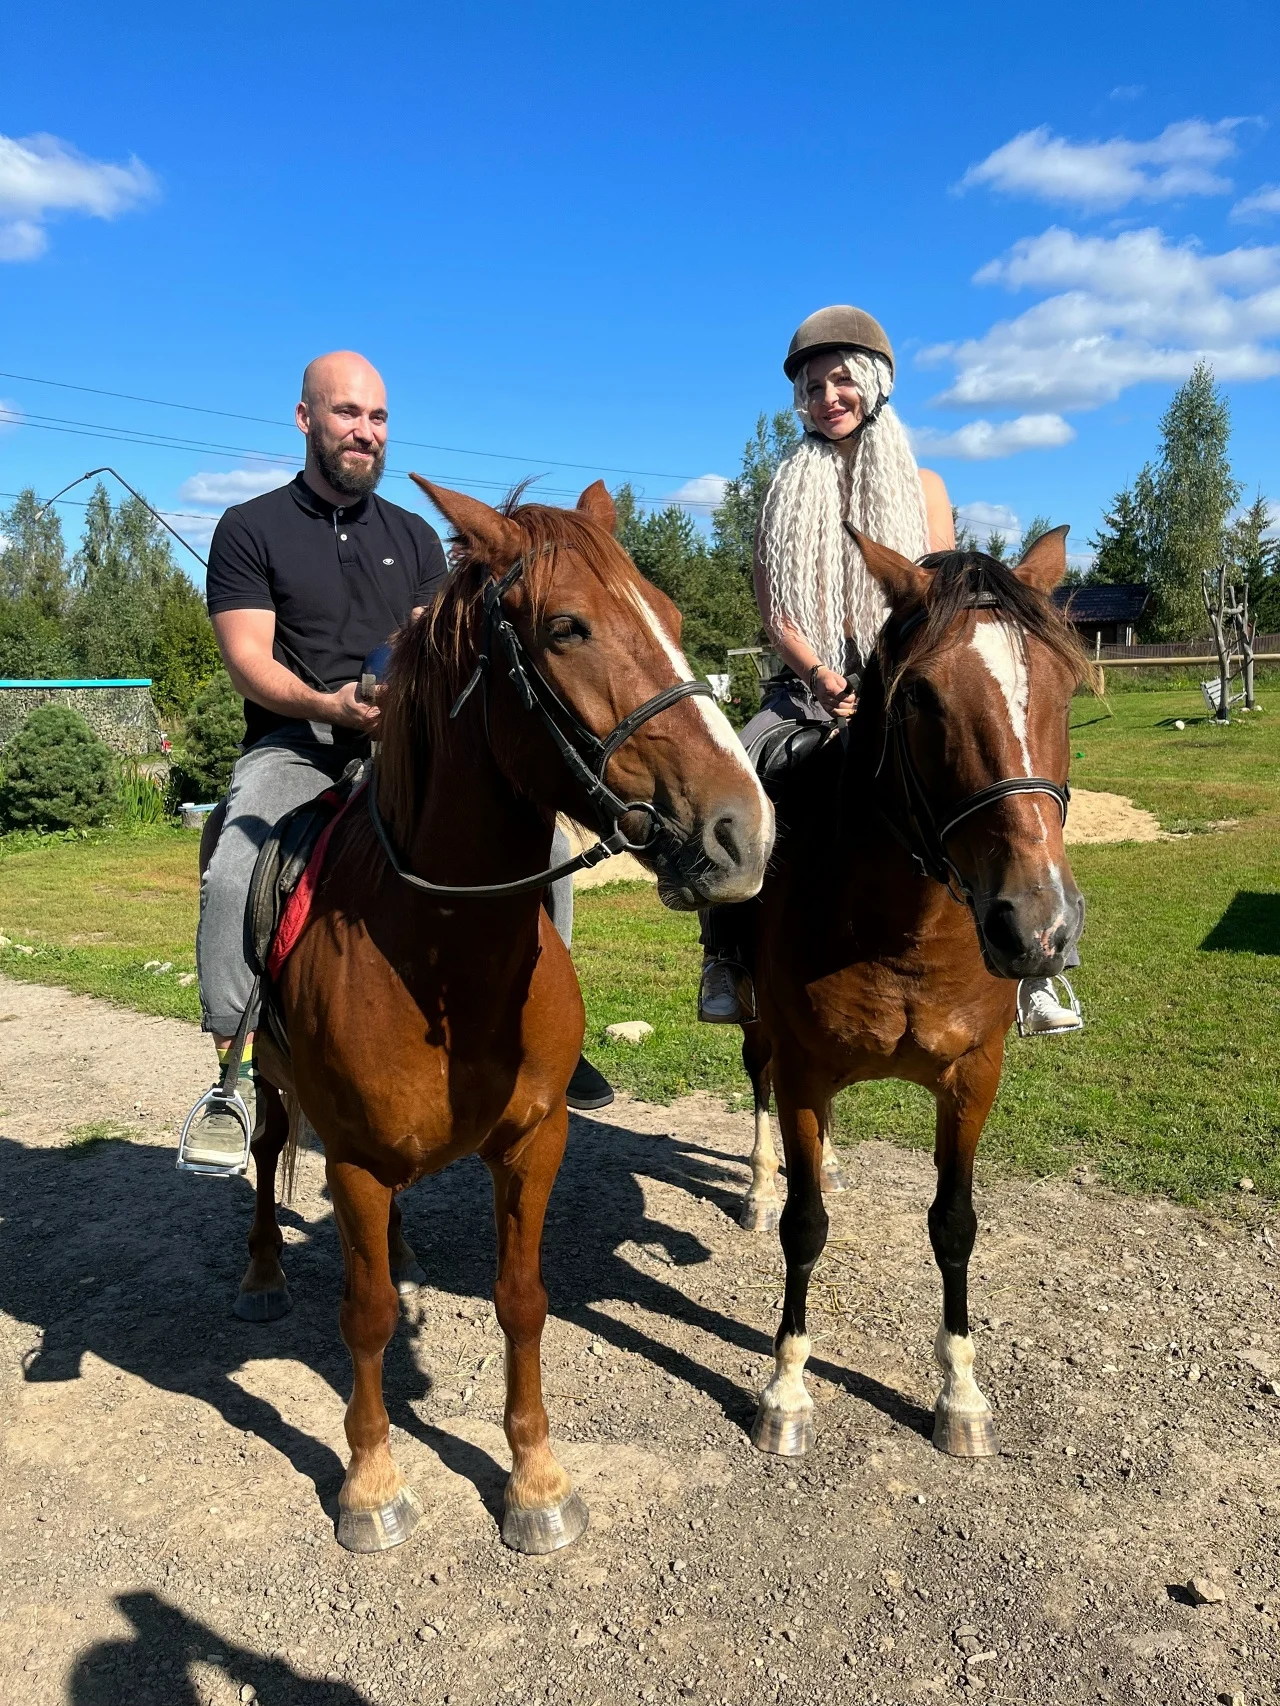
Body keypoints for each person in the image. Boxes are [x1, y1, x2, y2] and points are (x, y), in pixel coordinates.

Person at [182, 351, 613, 1173]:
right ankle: (233, 1074)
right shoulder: (248, 527)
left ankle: (545, 1039)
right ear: (306, 419)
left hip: (404, 746)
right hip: (295, 743)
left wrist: (401, 702)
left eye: (377, 419)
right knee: (236, 866)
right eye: (347, 414)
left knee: (548, 849)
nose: (365, 432)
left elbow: (434, 640)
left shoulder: (414, 535)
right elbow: (248, 660)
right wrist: (329, 706)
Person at [697, 306, 1083, 1037]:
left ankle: (1036, 968)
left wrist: (888, 680)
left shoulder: (924, 485)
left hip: (906, 679)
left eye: (840, 380)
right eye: (812, 387)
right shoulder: (780, 491)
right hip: (810, 690)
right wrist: (825, 681)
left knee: (1006, 773)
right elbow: (778, 614)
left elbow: (942, 600)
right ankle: (726, 954)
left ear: (871, 384)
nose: (827, 397)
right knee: (742, 765)